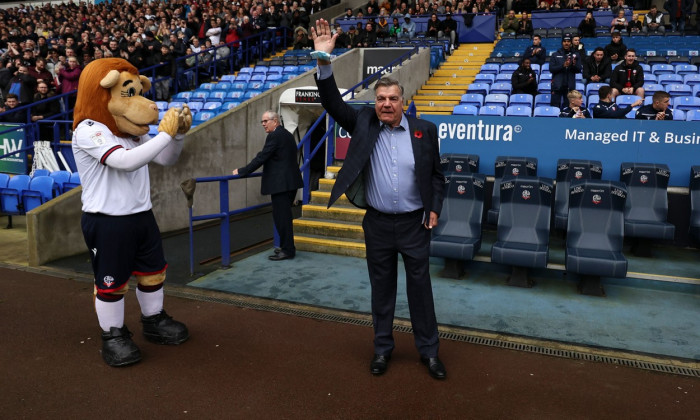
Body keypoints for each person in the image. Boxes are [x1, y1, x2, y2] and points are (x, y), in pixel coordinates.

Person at [310, 18, 446, 380]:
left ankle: (429, 352)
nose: (386, 105)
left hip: (416, 225)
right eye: (381, 99)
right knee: (382, 292)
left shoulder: (425, 131)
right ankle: (382, 349)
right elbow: (332, 103)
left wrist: (434, 207)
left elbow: (437, 176)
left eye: (392, 99)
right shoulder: (365, 122)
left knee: (421, 291)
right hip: (379, 224)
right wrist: (324, 60)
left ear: (405, 101)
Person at [72, 59, 192, 367]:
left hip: (141, 215)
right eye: (128, 93)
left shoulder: (131, 131)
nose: (142, 102)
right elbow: (125, 161)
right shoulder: (89, 130)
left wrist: (176, 135)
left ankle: (153, 320)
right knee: (111, 282)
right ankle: (113, 335)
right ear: (101, 95)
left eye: (137, 92)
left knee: (153, 273)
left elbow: (165, 159)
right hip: (107, 219)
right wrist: (165, 133)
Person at [233, 111, 303, 261]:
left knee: (282, 218)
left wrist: (242, 171)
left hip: (281, 185)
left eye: (266, 121)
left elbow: (262, 157)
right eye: (262, 121)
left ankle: (288, 250)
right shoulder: (286, 134)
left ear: (275, 121)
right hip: (289, 183)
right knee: (284, 217)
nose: (263, 124)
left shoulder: (275, 136)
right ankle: (287, 247)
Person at [550, 34, 582, 108]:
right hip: (557, 86)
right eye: (564, 41)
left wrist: (573, 65)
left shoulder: (576, 55)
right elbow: (551, 69)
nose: (566, 43)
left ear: (571, 43)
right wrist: (563, 66)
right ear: (562, 43)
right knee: (554, 107)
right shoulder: (555, 54)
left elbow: (578, 69)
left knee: (568, 108)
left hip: (569, 86)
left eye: (568, 41)